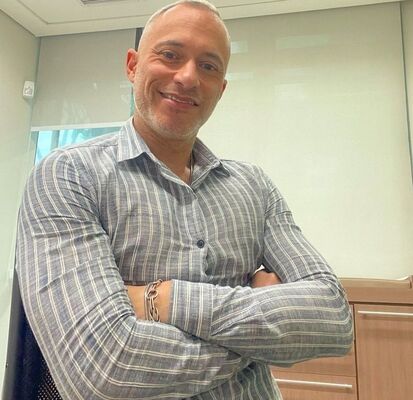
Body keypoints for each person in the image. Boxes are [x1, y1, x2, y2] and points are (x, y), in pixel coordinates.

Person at [15, 0, 353, 399]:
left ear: (221, 89)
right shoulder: (68, 176)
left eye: (208, 66)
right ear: (132, 65)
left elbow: (334, 319)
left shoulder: (255, 186)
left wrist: (162, 298)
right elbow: (106, 370)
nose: (188, 76)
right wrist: (261, 334)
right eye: (170, 55)